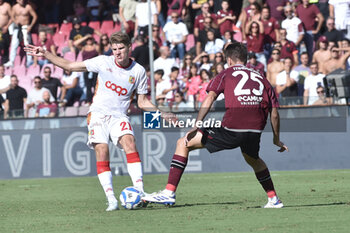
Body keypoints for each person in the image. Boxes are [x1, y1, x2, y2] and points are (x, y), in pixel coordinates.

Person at [25, 31, 174, 211]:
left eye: (121, 48)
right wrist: (46, 54)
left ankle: (140, 191)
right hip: (98, 114)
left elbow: (142, 102)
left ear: (129, 47)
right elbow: (70, 66)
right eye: (114, 49)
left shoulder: (139, 71)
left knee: (130, 142)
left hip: (119, 116)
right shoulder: (103, 61)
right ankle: (111, 199)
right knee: (102, 150)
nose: (117, 52)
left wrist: (162, 114)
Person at [142, 42, 288, 208]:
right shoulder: (262, 78)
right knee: (252, 158)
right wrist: (277, 139)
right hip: (255, 129)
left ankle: (168, 192)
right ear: (245, 59)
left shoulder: (226, 73)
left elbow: (210, 97)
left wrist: (197, 124)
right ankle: (274, 199)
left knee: (183, 143)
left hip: (233, 128)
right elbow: (274, 114)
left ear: (230, 60)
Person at [4, 0, 37, 68]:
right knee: (14, 45)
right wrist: (15, 21)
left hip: (25, 27)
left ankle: (29, 61)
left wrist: (31, 26)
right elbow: (12, 16)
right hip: (17, 28)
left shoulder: (28, 7)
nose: (22, 1)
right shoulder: (15, 7)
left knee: (27, 45)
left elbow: (35, 16)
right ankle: (11, 61)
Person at [0, 0, 12, 65]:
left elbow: (12, 17)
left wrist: (7, 26)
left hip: (4, 29)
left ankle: (5, 62)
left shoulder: (7, 6)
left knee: (5, 46)